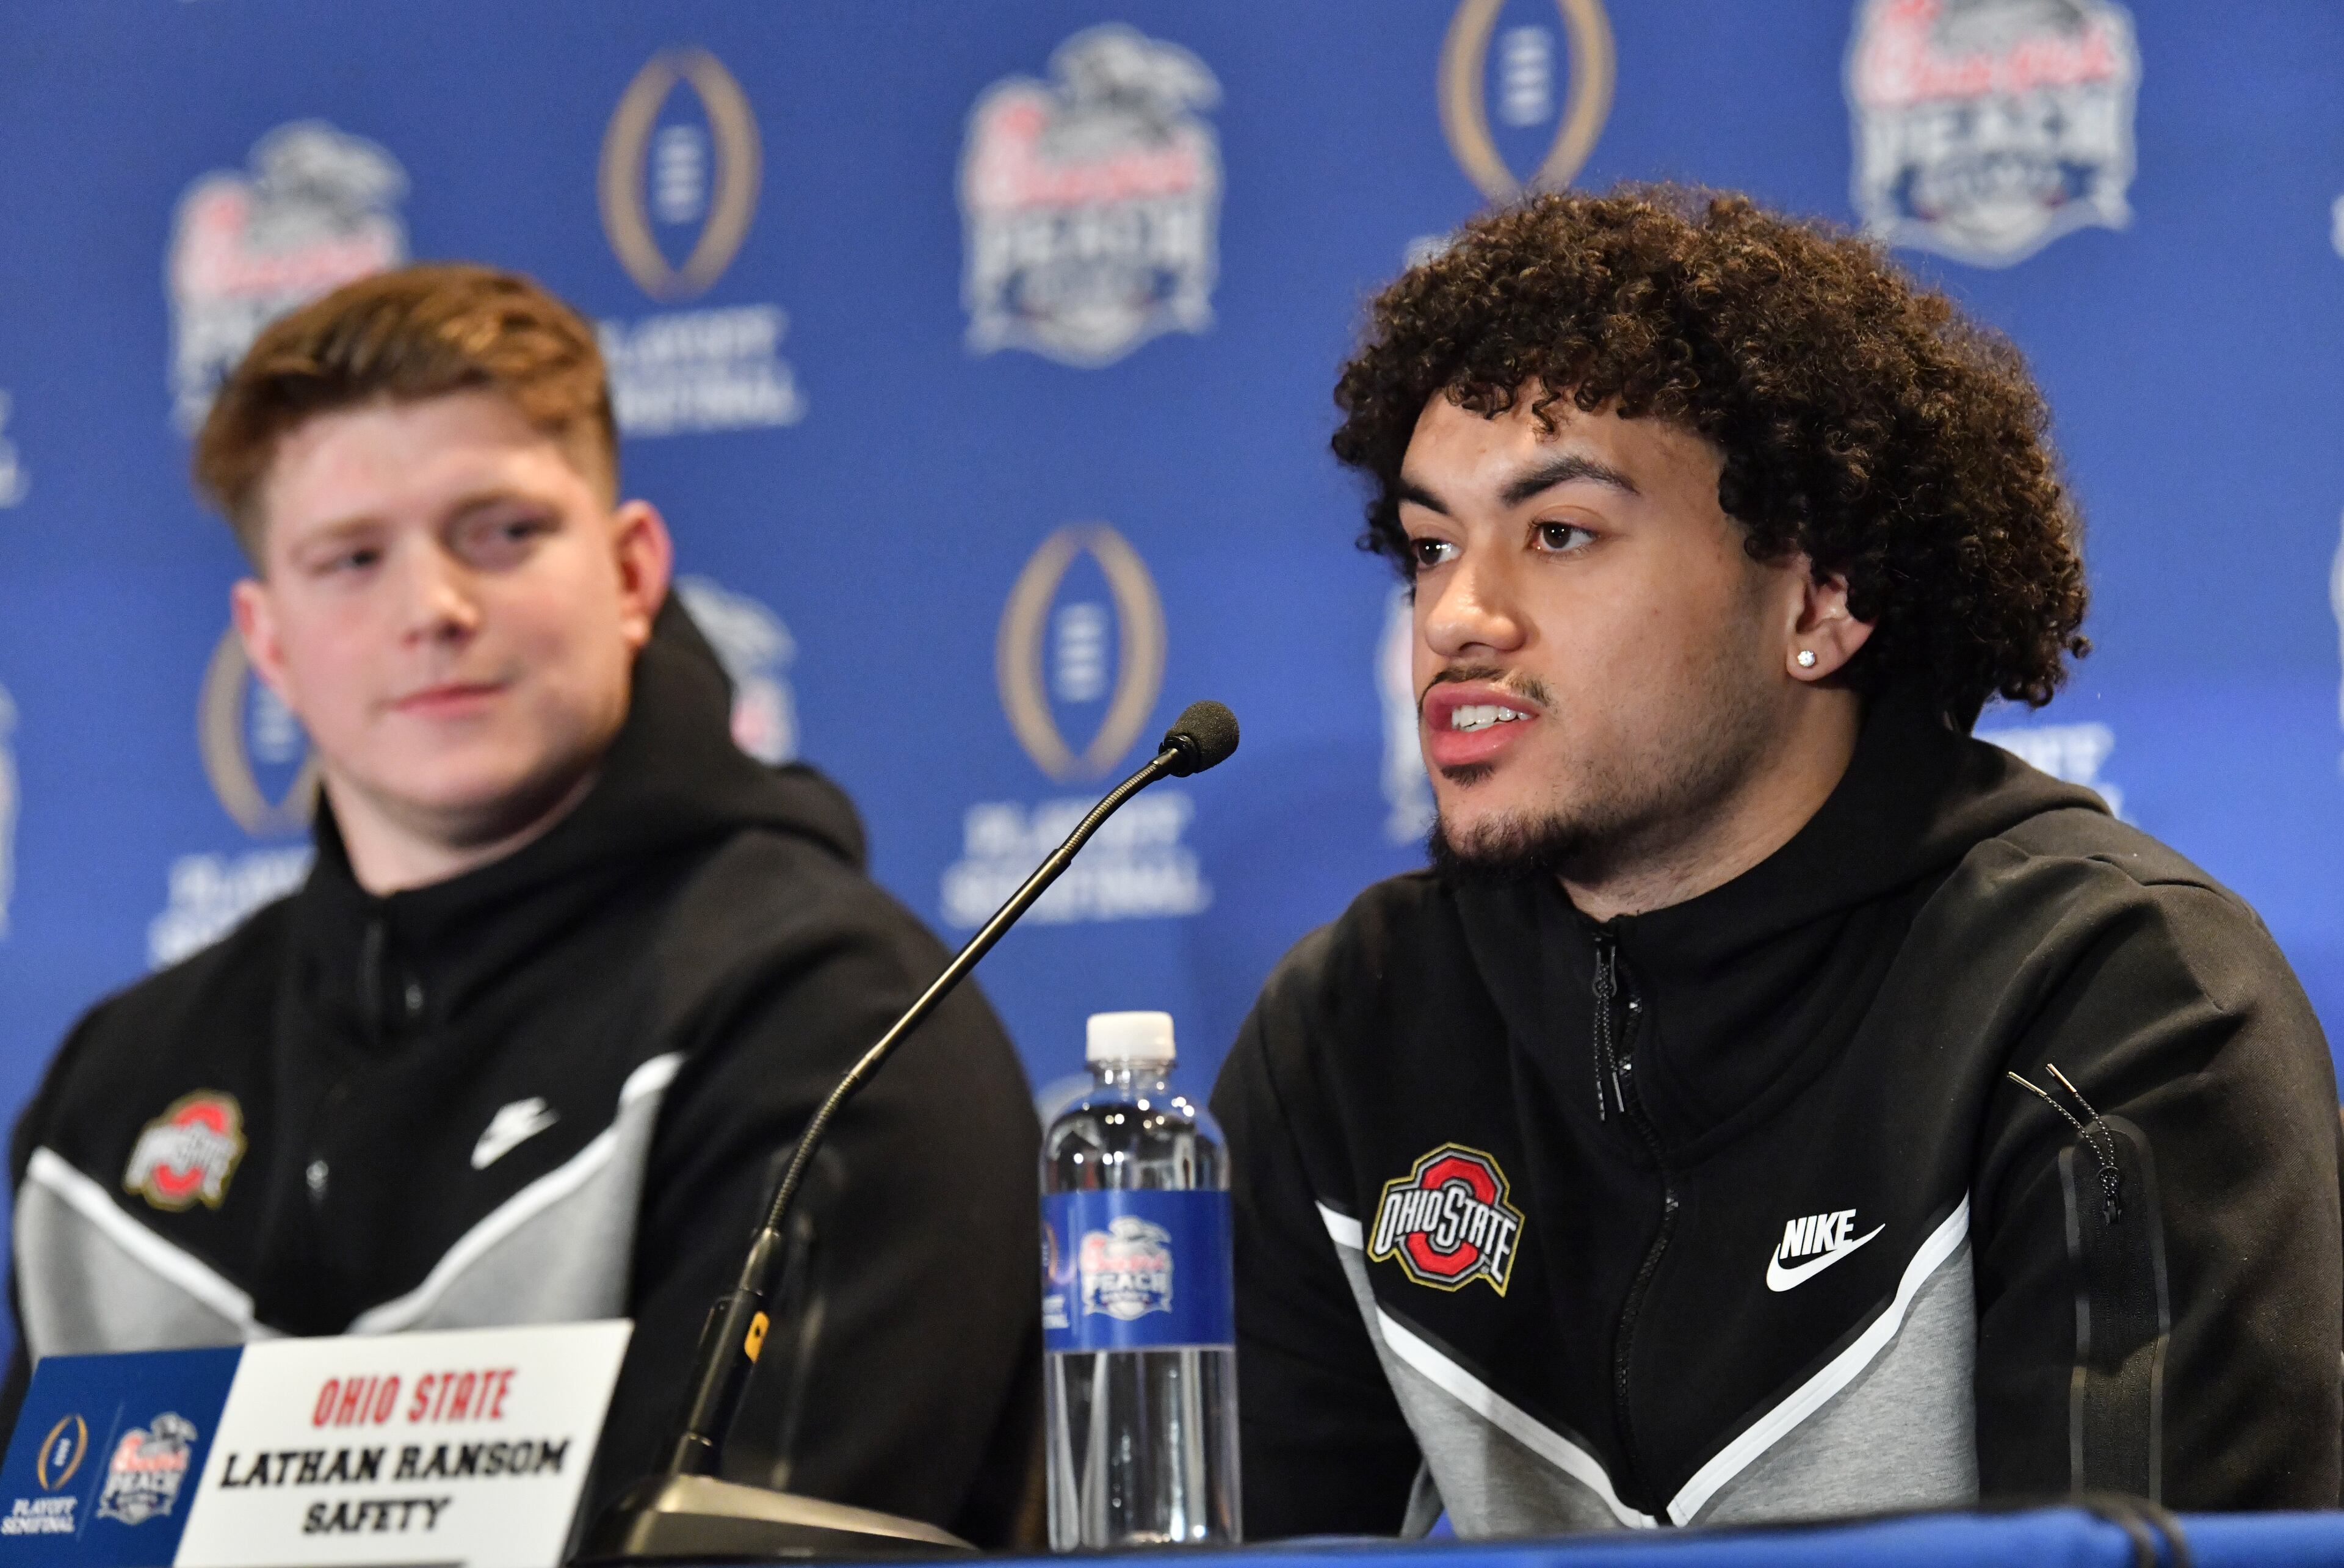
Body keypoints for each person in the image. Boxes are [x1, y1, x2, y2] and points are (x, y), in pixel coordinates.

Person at [1213, 188, 2342, 1536]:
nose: (1459, 615)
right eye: (1432, 546)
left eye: (1559, 533)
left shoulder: (2114, 1000)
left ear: (1821, 599)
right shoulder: (1350, 1031)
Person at [2, 264, 1042, 1543]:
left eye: (502, 530)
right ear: (265, 640)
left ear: (631, 570)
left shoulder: (838, 1027)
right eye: (351, 558)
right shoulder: (114, 1097)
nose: (433, 609)